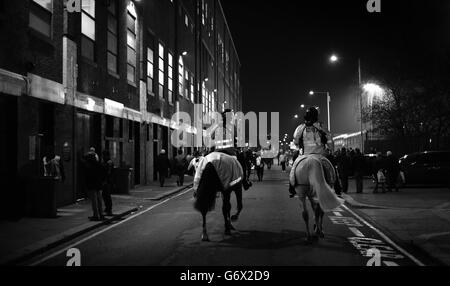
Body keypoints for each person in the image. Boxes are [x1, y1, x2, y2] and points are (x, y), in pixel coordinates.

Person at [288, 107, 332, 198]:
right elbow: (329, 139)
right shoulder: (322, 126)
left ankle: (292, 187)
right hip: (321, 155)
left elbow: (295, 141)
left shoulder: (301, 128)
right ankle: (337, 187)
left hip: (304, 155)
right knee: (332, 166)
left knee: (294, 167)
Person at [83, 148, 104, 221]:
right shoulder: (99, 164)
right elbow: (102, 174)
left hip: (92, 185)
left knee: (94, 201)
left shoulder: (89, 166)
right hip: (99, 184)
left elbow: (87, 177)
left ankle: (96, 215)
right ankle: (101, 214)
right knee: (99, 200)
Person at [101, 150, 114, 216]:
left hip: (107, 182)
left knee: (107, 195)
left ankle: (109, 209)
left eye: (104, 155)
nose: (103, 156)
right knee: (105, 195)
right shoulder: (106, 162)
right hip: (107, 181)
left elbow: (108, 172)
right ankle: (107, 208)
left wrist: (105, 181)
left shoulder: (109, 162)